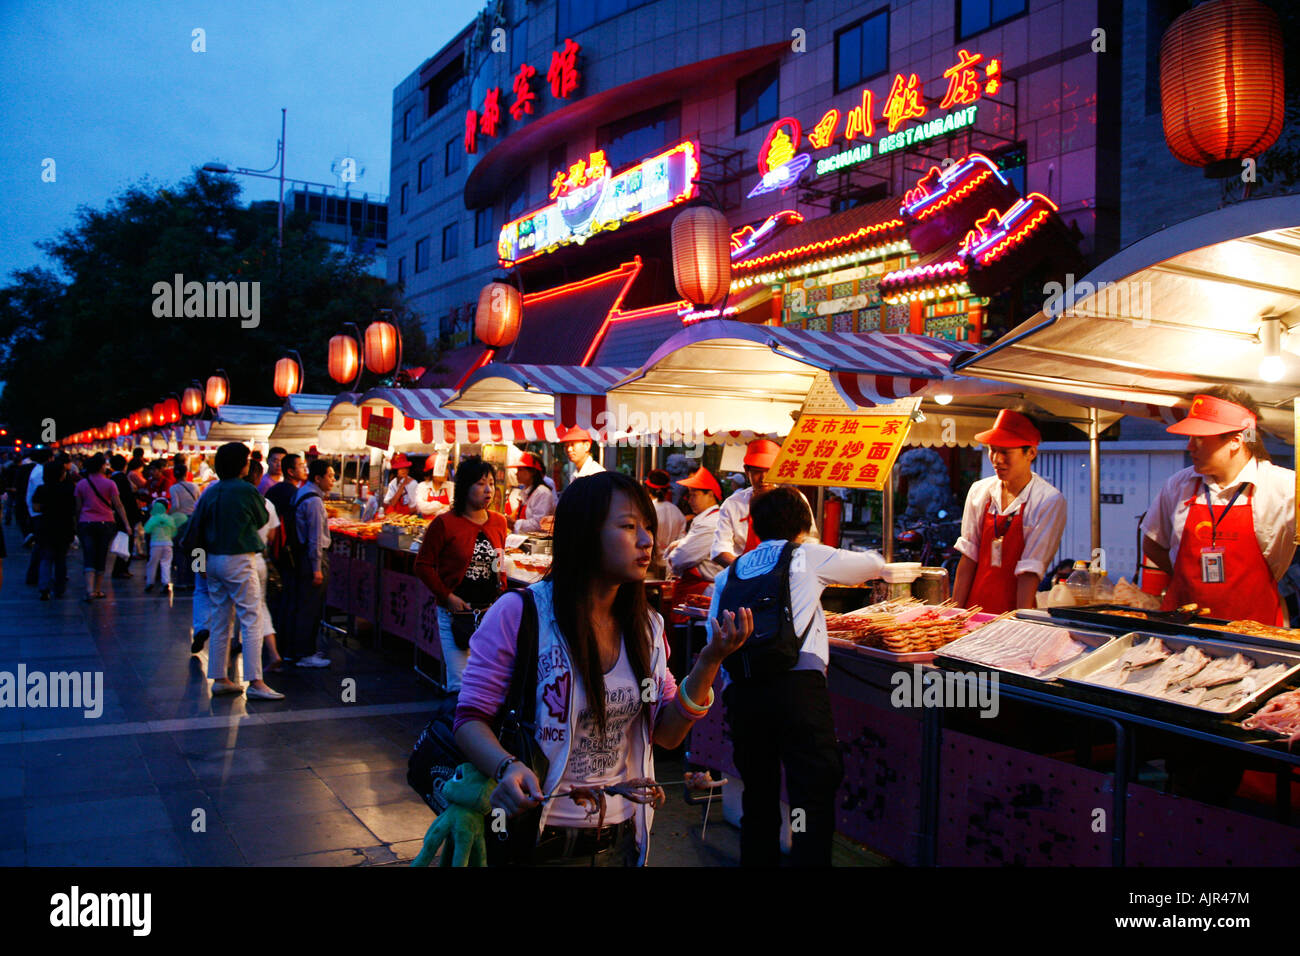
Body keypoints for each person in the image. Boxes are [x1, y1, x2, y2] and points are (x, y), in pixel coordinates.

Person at [453, 471, 753, 866]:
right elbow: (469, 719)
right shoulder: (520, 615)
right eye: (629, 527)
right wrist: (507, 766)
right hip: (539, 839)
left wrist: (711, 660)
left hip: (622, 840)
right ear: (584, 535)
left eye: (647, 527)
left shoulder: (647, 628)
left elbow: (666, 733)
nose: (647, 540)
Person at [709, 485, 884, 867]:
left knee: (759, 793)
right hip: (797, 693)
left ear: (755, 527)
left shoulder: (729, 575)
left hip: (744, 694)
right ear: (804, 526)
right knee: (811, 795)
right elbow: (871, 565)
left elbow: (715, 643)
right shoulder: (806, 555)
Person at [1142, 387, 1296, 625]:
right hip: (1184, 627)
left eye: (1200, 438)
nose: (1189, 446)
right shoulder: (1178, 484)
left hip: (1256, 632)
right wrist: (1187, 578)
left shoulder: (1284, 487)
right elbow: (1152, 544)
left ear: (1235, 441)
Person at [184, 442, 281, 699]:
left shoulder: (211, 491)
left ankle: (220, 678)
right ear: (241, 464)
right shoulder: (246, 490)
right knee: (251, 618)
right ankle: (256, 682)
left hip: (213, 561)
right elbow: (262, 518)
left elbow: (195, 526)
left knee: (220, 619)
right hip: (238, 558)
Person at [952, 410, 1067, 613]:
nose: (996, 459)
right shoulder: (980, 491)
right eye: (992, 450)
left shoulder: (1047, 500)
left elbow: (1030, 572)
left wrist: (1020, 624)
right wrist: (955, 614)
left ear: (1031, 452)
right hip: (974, 609)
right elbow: (969, 557)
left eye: (1005, 452)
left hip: (1015, 610)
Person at [414, 457, 508, 691]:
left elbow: (499, 560)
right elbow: (422, 565)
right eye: (480, 483)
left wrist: (502, 590)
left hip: (489, 615)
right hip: (456, 615)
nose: (488, 490)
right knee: (461, 686)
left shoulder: (499, 522)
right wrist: (447, 597)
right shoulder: (444, 523)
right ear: (465, 487)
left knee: (488, 685)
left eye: (491, 483)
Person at [712, 439, 817, 568]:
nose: (763, 478)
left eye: (769, 471)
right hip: (744, 576)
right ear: (747, 471)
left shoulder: (795, 499)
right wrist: (746, 570)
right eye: (757, 471)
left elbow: (810, 540)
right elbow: (720, 549)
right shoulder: (733, 504)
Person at [291, 459, 336, 669]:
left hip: (303, 558)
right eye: (330, 476)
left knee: (304, 605)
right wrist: (317, 568)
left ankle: (299, 649)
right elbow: (316, 539)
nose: (333, 480)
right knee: (311, 606)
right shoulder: (314, 502)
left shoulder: (303, 493)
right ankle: (305, 652)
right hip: (311, 560)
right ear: (318, 478)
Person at [664, 467, 724, 619]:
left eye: (693, 495)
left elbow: (680, 558)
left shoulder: (710, 523)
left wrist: (674, 551)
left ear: (710, 494)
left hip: (702, 592)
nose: (689, 500)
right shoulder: (706, 520)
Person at [73, 453, 131, 602]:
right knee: (101, 555)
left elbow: (78, 507)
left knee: (89, 555)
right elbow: (118, 505)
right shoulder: (110, 484)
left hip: (86, 523)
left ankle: (89, 589)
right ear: (101, 467)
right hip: (106, 523)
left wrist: (77, 523)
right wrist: (126, 523)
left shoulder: (81, 484)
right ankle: (98, 589)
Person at [32, 454, 75, 600]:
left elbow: (36, 508)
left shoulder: (41, 489)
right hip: (64, 526)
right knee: (61, 559)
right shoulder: (69, 489)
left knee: (46, 558)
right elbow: (74, 508)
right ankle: (60, 588)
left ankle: (44, 587)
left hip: (46, 526)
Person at [168, 461, 201, 589]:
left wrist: (168, 514)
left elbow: (176, 505)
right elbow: (198, 503)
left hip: (180, 521)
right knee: (195, 550)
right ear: (186, 474)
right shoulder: (194, 486)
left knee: (180, 550)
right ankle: (195, 579)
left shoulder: (174, 488)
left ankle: (182, 581)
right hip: (193, 520)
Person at [142, 498, 186, 593]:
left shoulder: (153, 518)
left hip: (155, 544)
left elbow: (147, 529)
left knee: (152, 564)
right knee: (166, 563)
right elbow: (174, 531)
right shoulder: (169, 518)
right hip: (168, 544)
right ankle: (165, 582)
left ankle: (150, 582)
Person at [506, 452, 555, 534]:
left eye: (520, 470)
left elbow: (539, 524)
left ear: (532, 472)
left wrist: (515, 523)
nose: (516, 473)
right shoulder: (526, 492)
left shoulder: (542, 493)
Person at [109, 454, 141, 579]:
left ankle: (120, 568)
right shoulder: (122, 479)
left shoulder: (112, 478)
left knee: (124, 540)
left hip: (118, 515)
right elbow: (127, 499)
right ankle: (121, 569)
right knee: (127, 541)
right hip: (126, 515)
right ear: (124, 466)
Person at [645, 469, 685, 560]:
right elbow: (682, 540)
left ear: (647, 489)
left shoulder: (647, 511)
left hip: (651, 562)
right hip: (671, 562)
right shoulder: (677, 511)